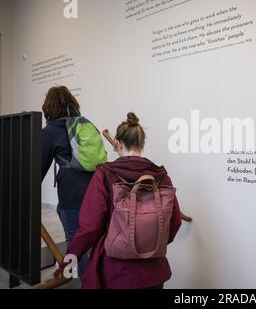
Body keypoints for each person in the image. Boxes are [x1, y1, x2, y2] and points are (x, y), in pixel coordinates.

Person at [57, 112, 182, 289]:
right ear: (143, 144)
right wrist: (150, 241)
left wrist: (69, 258)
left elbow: (89, 228)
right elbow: (175, 222)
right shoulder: (161, 178)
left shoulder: (105, 175)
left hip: (115, 271)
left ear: (118, 144)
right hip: (154, 272)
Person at [41, 86, 92, 274]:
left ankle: (85, 283)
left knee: (77, 244)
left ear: (49, 107)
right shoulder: (84, 124)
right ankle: (76, 274)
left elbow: (38, 167)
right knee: (90, 240)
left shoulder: (51, 130)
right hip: (96, 191)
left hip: (72, 193)